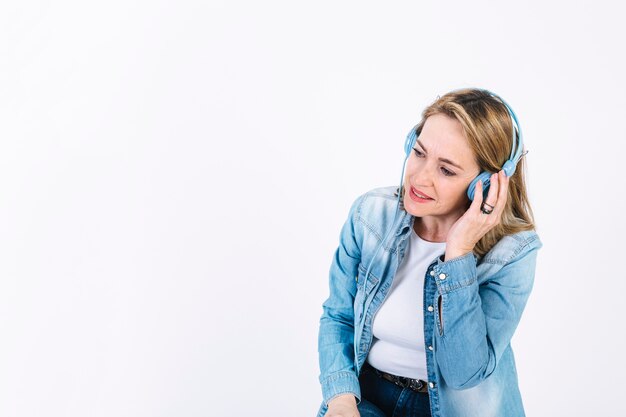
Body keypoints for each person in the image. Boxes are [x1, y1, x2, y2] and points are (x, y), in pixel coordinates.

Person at [316, 88, 543, 417]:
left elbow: (463, 372)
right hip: (367, 397)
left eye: (446, 170)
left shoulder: (513, 253)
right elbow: (338, 316)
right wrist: (340, 399)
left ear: (487, 183)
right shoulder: (370, 216)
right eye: (419, 152)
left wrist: (459, 253)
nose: (419, 178)